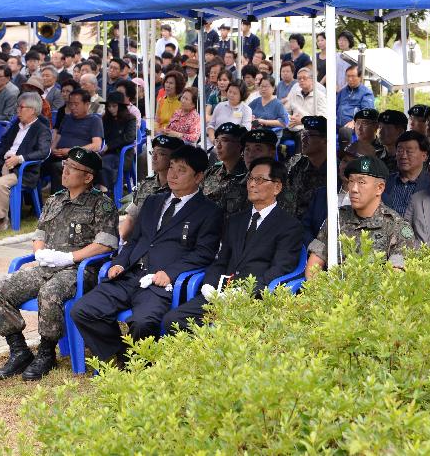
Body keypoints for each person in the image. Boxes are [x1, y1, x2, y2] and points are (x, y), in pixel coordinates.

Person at [71, 145, 223, 364]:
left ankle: (139, 364)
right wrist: (121, 262)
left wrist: (170, 273)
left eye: (182, 170)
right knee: (83, 310)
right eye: (171, 167)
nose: (172, 174)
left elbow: (203, 254)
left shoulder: (209, 211)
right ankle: (121, 355)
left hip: (159, 283)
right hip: (130, 274)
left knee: (143, 323)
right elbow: (135, 240)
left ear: (199, 177)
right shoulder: (153, 201)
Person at [0, 148, 119, 381]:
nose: (65, 171)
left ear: (88, 177)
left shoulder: (102, 204)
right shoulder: (55, 200)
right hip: (47, 266)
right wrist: (40, 254)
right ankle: (19, 350)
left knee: (50, 293)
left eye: (72, 168)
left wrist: (70, 257)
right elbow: (39, 234)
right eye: (65, 165)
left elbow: (106, 244)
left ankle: (47, 352)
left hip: (79, 270)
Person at [164, 157, 303, 332]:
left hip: (253, 298)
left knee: (225, 329)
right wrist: (209, 285)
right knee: (174, 319)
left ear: (277, 187)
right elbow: (222, 260)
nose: (252, 184)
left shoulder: (289, 225)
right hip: (221, 294)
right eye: (250, 179)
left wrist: (247, 291)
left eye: (259, 180)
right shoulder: (236, 220)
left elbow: (280, 268)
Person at [305, 155, 415, 278]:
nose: (354, 189)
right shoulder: (337, 218)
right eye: (351, 181)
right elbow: (314, 265)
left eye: (361, 182)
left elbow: (395, 278)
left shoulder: (397, 227)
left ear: (379, 188)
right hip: (335, 293)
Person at [0, 92, 52, 231]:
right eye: (18, 107)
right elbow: (2, 144)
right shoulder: (15, 125)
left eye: (21, 107)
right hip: (1, 167)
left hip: (22, 172)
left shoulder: (41, 130)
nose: (17, 110)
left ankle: (1, 219)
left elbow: (43, 152)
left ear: (32, 110)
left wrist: (19, 159)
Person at [119, 134, 183, 240]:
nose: (154, 157)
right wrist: (122, 240)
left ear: (174, 159)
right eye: (153, 152)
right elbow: (131, 218)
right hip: (141, 243)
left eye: (161, 153)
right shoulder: (146, 185)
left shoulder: (183, 186)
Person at [43, 89, 104, 193]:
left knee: (57, 167)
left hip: (80, 158)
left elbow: (97, 145)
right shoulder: (67, 118)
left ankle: (59, 201)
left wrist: (72, 151)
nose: (73, 107)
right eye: (71, 104)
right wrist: (52, 149)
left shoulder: (94, 120)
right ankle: (30, 200)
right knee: (36, 163)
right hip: (59, 154)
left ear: (87, 104)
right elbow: (57, 137)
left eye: (76, 104)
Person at [281, 116, 327, 219]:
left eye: (309, 135)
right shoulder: (294, 163)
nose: (303, 139)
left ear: (324, 140)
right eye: (303, 134)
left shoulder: (334, 170)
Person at [203, 122, 249, 220]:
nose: (218, 146)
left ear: (239, 145)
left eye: (224, 141)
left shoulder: (249, 176)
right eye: (217, 141)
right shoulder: (211, 172)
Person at [382, 130, 430, 216]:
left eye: (409, 152)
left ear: (424, 156)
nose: (403, 156)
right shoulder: (385, 182)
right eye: (400, 151)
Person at [100, 91, 138, 191]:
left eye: (114, 106)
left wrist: (110, 145)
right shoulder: (106, 119)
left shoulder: (130, 119)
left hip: (123, 154)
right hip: (108, 153)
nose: (111, 109)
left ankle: (105, 191)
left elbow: (129, 138)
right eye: (109, 106)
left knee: (105, 163)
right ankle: (100, 190)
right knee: (92, 162)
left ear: (120, 106)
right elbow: (101, 135)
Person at [335, 64, 374, 145]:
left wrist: (354, 121)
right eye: (348, 76)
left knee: (345, 132)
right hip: (338, 125)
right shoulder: (342, 92)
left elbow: (367, 113)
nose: (350, 79)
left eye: (353, 76)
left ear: (360, 77)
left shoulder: (366, 93)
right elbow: (335, 108)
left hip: (355, 128)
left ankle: (345, 155)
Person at [206, 80, 252, 145]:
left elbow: (245, 130)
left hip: (234, 144)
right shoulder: (220, 106)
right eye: (229, 91)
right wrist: (213, 140)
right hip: (214, 142)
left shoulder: (246, 110)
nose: (231, 95)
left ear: (242, 95)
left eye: (235, 93)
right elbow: (211, 125)